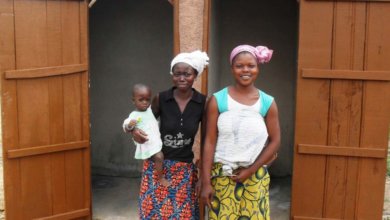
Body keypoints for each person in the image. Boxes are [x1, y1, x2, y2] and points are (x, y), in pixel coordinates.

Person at [200, 44, 281, 219]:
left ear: (258, 68)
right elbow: (209, 141)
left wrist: (251, 170)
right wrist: (206, 182)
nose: (245, 70)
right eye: (239, 66)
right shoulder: (218, 100)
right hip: (222, 176)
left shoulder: (267, 102)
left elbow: (275, 141)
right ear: (232, 68)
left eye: (251, 65)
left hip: (255, 176)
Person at [126, 50, 209, 219]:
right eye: (177, 74)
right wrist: (133, 131)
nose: (182, 78)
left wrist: (203, 175)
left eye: (187, 74)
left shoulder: (202, 102)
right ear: (172, 75)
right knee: (153, 213)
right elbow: (143, 119)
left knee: (182, 215)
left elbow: (207, 140)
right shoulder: (161, 99)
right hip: (156, 166)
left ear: (195, 75)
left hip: (184, 169)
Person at [123, 83, 169, 186]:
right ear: (133, 101)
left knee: (153, 160)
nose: (145, 102)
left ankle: (153, 174)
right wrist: (130, 126)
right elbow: (126, 125)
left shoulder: (149, 111)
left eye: (147, 100)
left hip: (155, 141)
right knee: (159, 157)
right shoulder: (134, 115)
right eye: (141, 100)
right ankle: (160, 178)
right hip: (147, 143)